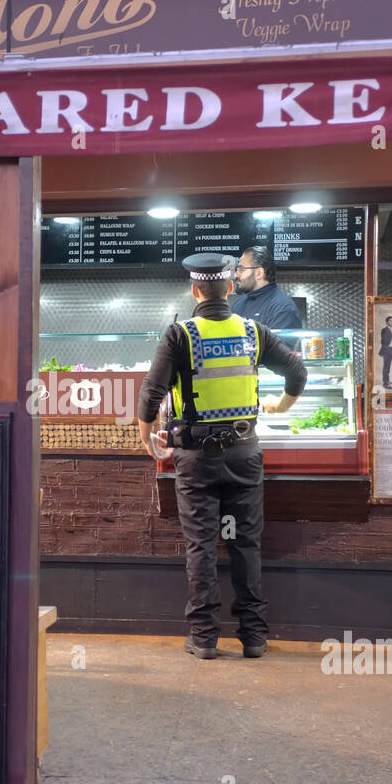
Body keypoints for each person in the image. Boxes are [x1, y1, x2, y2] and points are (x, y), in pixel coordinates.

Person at [137, 253, 307, 660]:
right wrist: (281, 407)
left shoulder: (180, 335)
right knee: (246, 544)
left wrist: (146, 437)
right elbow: (297, 372)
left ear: (195, 291)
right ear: (229, 289)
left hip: (196, 458)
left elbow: (151, 394)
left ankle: (204, 638)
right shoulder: (253, 330)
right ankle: (254, 638)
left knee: (201, 546)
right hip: (245, 453)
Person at [230, 245, 304, 330]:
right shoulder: (238, 304)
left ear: (259, 273)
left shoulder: (283, 309)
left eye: (241, 269)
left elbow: (280, 343)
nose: (236, 275)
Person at [380, 315, 392, 389]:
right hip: (387, 349)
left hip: (391, 349)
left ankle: (387, 381)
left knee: (388, 366)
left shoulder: (391, 329)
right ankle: (386, 384)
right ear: (386, 322)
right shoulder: (385, 330)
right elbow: (383, 341)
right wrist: (386, 347)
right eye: (390, 321)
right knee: (386, 367)